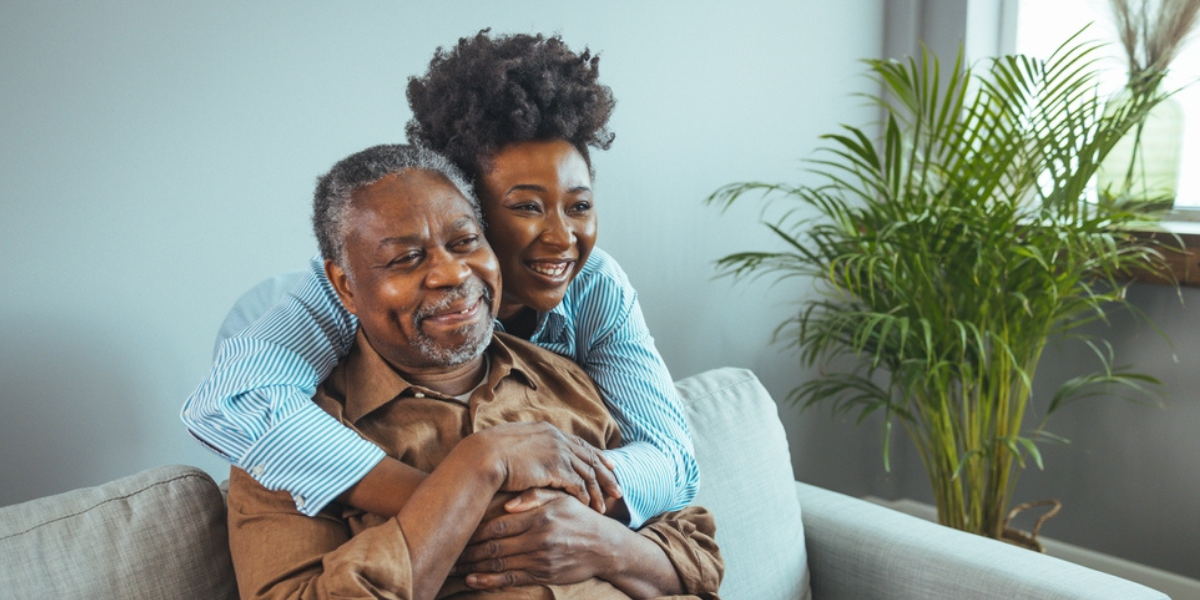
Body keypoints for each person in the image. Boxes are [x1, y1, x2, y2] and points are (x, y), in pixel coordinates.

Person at [183, 29, 696, 537]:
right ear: (463, 207)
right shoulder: (354, 289)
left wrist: (555, 510)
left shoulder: (596, 284)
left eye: (579, 206)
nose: (562, 238)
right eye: (525, 207)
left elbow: (673, 459)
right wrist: (457, 503)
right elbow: (231, 400)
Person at [226, 143, 722, 600]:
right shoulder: (284, 445)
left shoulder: (564, 376)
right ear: (345, 286)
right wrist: (476, 468)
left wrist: (602, 543)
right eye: (406, 258)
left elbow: (698, 557)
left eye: (465, 242)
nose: (452, 273)